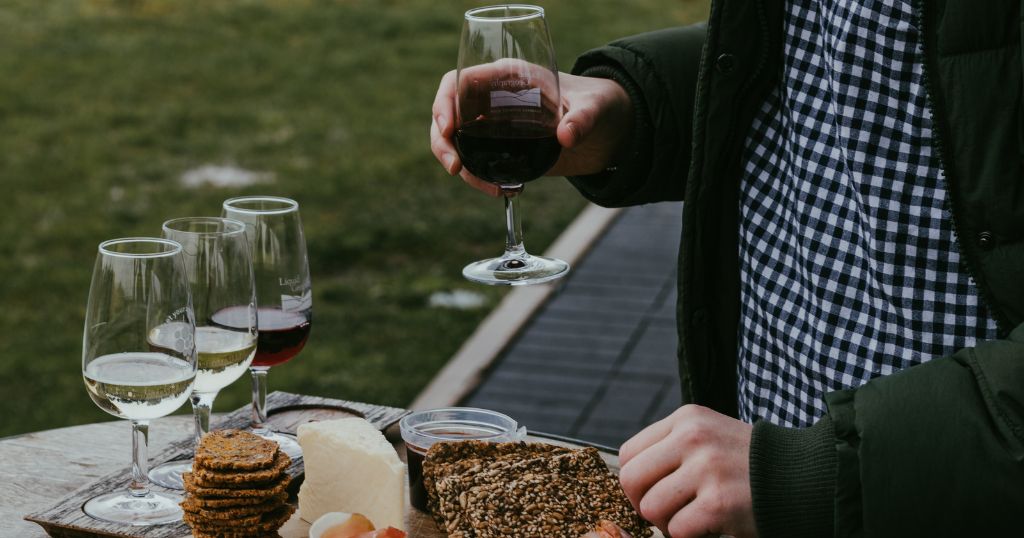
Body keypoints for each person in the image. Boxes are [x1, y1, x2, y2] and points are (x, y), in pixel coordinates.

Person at [430, 2, 1024, 536]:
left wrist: (828, 473)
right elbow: (836, 67)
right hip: (761, 473)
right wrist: (634, 106)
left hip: (924, 498)